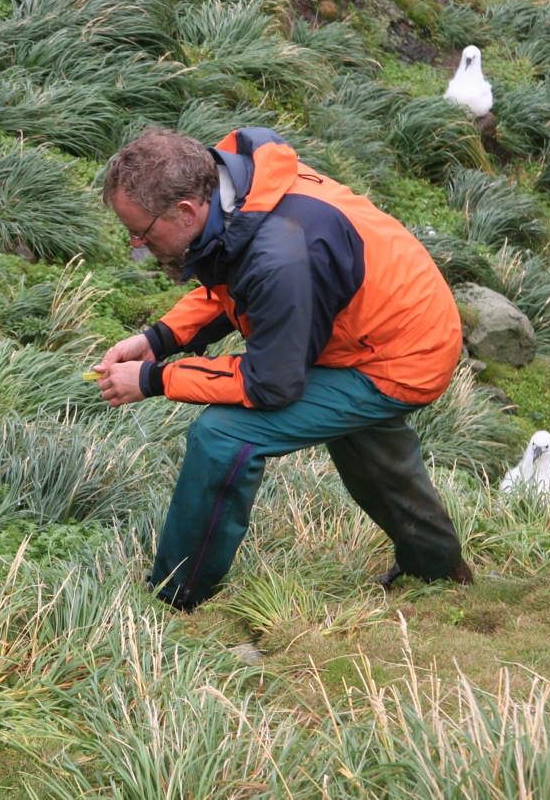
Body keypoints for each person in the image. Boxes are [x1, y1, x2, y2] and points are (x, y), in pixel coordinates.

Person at [93, 126, 473, 610]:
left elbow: (271, 382)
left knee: (224, 435)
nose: (137, 244)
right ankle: (438, 568)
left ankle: (176, 595)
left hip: (401, 356)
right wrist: (158, 338)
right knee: (371, 448)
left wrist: (154, 379)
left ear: (186, 211)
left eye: (141, 233)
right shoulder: (240, 189)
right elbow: (237, 276)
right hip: (389, 324)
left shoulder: (282, 254)